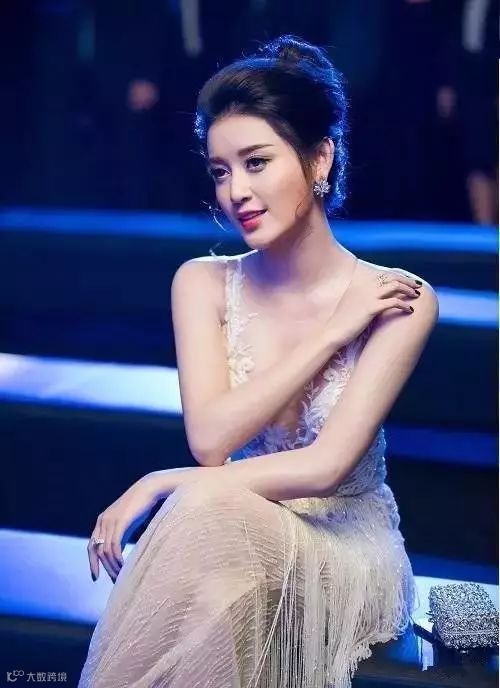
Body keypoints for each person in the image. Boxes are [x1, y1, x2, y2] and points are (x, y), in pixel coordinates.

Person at [78, 34, 439, 688]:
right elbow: (211, 441)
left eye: (256, 162)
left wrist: (162, 483)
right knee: (215, 561)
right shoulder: (200, 282)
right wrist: (330, 336)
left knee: (204, 521)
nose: (236, 191)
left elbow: (326, 467)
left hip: (345, 551)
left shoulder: (398, 298)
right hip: (228, 535)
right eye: (220, 171)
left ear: (320, 158)